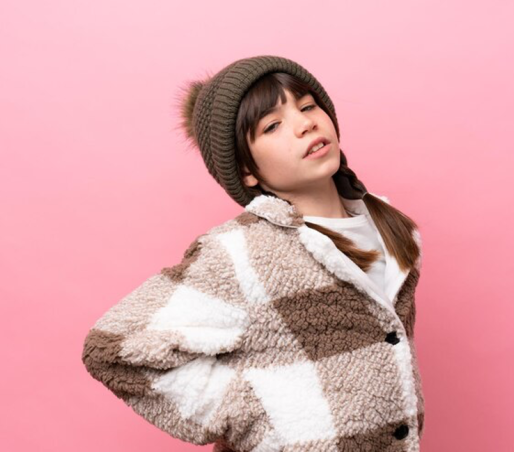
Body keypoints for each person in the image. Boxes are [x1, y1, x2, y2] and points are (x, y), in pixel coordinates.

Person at [82, 54, 425, 452]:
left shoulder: (393, 228)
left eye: (307, 106)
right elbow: (112, 348)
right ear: (247, 171)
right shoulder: (242, 252)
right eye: (272, 125)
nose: (305, 124)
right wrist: (256, 416)